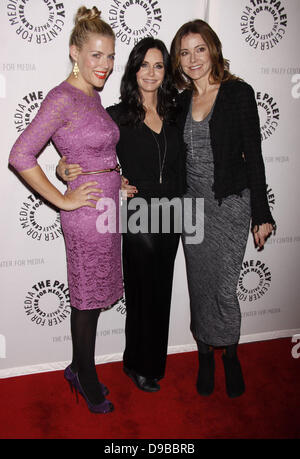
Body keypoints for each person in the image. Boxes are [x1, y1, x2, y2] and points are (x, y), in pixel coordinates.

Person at [9, 6, 122, 414]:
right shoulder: (62, 97)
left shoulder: (92, 95)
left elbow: (95, 150)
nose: (105, 65)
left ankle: (79, 365)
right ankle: (84, 374)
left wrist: (115, 177)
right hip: (85, 216)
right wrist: (62, 197)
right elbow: (20, 155)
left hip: (108, 209)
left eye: (110, 56)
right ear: (74, 52)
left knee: (95, 294)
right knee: (86, 296)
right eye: (96, 55)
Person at [57, 37, 185, 392]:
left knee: (162, 291)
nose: (151, 72)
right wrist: (62, 167)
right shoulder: (115, 116)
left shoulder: (177, 112)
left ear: (166, 71)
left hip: (174, 212)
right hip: (136, 214)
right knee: (142, 293)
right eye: (144, 64)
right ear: (133, 69)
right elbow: (82, 146)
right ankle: (136, 364)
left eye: (158, 65)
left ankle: (153, 363)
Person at [170, 20, 275, 398]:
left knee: (225, 289)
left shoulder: (237, 93)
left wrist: (261, 214)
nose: (193, 58)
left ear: (212, 49)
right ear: (177, 60)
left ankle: (229, 353)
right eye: (184, 52)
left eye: (200, 49)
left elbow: (256, 158)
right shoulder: (179, 100)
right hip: (191, 208)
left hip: (231, 204)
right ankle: (204, 355)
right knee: (200, 287)